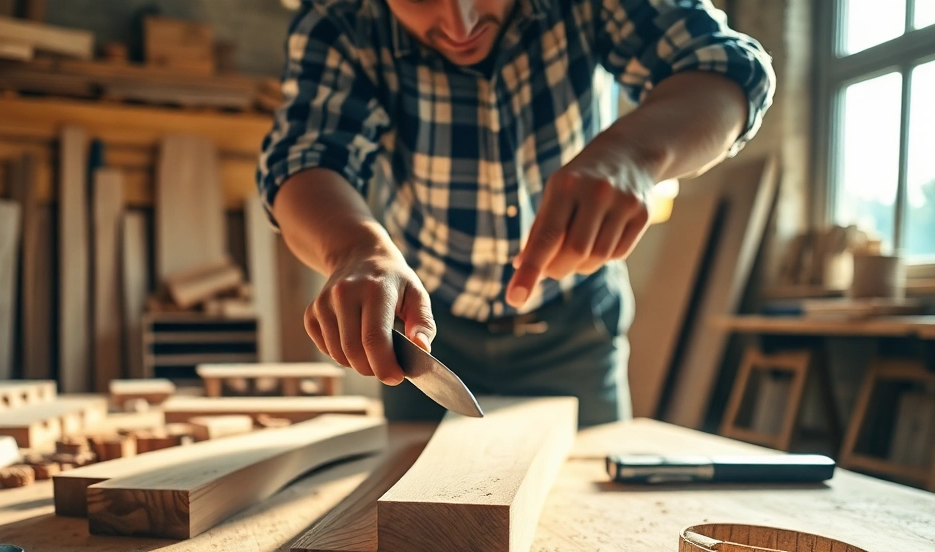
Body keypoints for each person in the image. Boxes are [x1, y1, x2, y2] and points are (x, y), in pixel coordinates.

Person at [258, 0, 774, 426]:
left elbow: (727, 71)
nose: (460, 23)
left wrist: (637, 154)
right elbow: (305, 159)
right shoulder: (339, 17)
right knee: (411, 521)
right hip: (424, 339)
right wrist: (354, 248)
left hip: (575, 327)